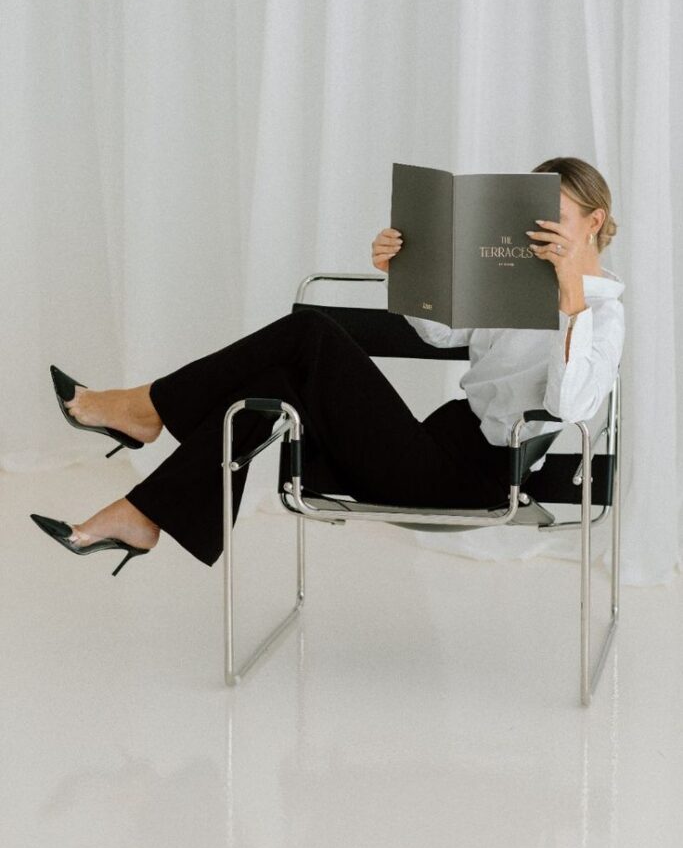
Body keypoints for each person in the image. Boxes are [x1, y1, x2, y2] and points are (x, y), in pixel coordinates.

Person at [31, 156, 625, 573]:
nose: (541, 233)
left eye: (559, 218)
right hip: (432, 447)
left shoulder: (602, 313)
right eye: (534, 218)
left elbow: (572, 408)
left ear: (593, 222)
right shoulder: (519, 288)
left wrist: (571, 296)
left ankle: (145, 409)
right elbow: (444, 330)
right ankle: (143, 513)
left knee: (311, 330)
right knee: (275, 384)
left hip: (477, 476)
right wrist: (405, 268)